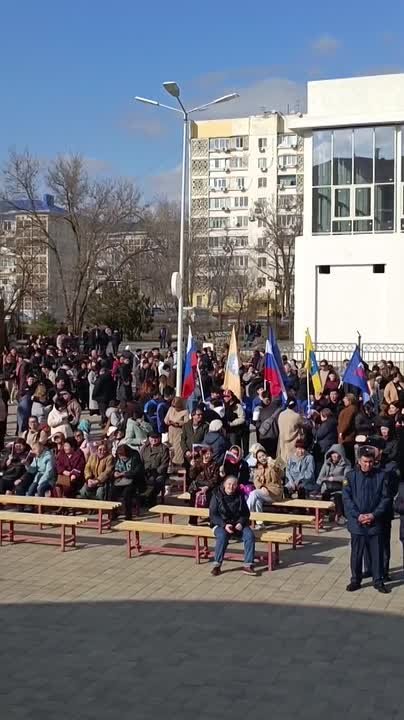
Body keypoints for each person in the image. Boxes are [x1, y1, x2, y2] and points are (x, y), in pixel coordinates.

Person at [343, 446, 390, 593]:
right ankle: (355, 580)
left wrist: (373, 515)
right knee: (356, 554)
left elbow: (385, 498)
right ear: (359, 461)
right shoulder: (350, 476)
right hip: (357, 522)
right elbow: (347, 499)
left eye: (370, 462)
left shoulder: (381, 476)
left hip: (375, 521)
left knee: (377, 553)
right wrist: (358, 516)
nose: (368, 465)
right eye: (365, 461)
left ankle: (378, 580)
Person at [209, 476, 256, 577]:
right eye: (229, 484)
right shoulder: (216, 495)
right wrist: (224, 525)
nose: (231, 487)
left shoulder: (240, 495)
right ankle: (217, 565)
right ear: (224, 484)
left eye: (234, 484)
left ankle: (248, 565)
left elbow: (246, 513)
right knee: (222, 536)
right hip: (220, 524)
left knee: (250, 536)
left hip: (237, 524)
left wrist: (241, 523)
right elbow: (213, 515)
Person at [317, 444, 351, 520]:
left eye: (336, 453)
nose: (334, 456)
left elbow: (347, 478)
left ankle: (340, 516)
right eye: (333, 453)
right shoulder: (327, 463)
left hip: (340, 487)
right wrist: (326, 479)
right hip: (327, 487)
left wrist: (334, 478)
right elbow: (320, 477)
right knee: (325, 494)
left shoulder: (347, 464)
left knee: (338, 496)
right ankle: (325, 514)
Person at [111, 444, 145, 520]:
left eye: (123, 456)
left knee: (127, 493)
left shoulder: (135, 457)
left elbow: (137, 472)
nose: (122, 458)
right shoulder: (118, 457)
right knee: (113, 491)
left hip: (134, 481)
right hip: (120, 480)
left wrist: (124, 474)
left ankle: (128, 514)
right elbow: (115, 467)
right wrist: (115, 472)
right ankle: (114, 513)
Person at [247, 447, 284, 517]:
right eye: (259, 457)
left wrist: (273, 465)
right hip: (264, 492)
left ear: (266, 455)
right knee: (258, 501)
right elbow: (256, 481)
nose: (262, 458)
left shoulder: (272, 463)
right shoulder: (257, 468)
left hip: (275, 492)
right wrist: (262, 487)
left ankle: (246, 514)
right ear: (257, 459)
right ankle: (259, 521)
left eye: (263, 455)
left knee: (254, 493)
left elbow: (280, 474)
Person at [188, 446, 220, 522]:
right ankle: (192, 520)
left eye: (210, 453)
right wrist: (193, 467)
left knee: (211, 497)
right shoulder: (197, 462)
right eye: (206, 454)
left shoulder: (215, 464)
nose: (208, 456)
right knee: (193, 497)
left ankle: (211, 520)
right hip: (198, 485)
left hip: (210, 486)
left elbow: (215, 479)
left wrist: (207, 487)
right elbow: (191, 476)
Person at [140, 432, 170, 505]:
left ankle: (151, 500)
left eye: (156, 438)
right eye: (152, 438)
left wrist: (156, 472)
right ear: (149, 438)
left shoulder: (164, 448)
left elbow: (165, 464)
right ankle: (142, 499)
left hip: (159, 473)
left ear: (160, 438)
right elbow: (140, 461)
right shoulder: (144, 448)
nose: (154, 440)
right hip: (145, 472)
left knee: (157, 482)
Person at [164, 396, 189, 466]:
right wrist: (169, 422)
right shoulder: (171, 409)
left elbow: (187, 422)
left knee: (178, 449)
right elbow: (165, 420)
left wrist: (178, 423)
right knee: (170, 447)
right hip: (171, 431)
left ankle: (178, 463)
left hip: (179, 432)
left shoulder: (185, 412)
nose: (175, 408)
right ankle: (169, 463)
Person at [337, 394, 358, 465]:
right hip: (348, 437)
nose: (344, 400)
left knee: (347, 456)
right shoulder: (352, 408)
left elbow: (346, 422)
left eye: (345, 399)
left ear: (350, 400)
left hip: (346, 437)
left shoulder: (350, 409)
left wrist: (341, 432)